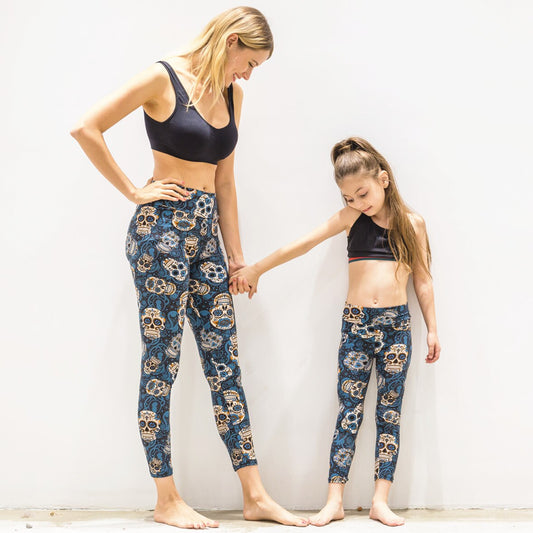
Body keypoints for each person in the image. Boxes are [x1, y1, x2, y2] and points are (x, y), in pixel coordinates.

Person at [70, 6, 309, 529]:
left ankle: (255, 496)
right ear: (231, 41)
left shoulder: (233, 95)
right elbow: (86, 128)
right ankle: (166, 499)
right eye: (250, 63)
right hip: (160, 233)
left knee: (225, 362)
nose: (249, 75)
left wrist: (236, 256)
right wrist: (134, 191)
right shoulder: (163, 77)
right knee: (162, 363)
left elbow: (225, 181)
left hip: (206, 239)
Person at [231, 137, 441, 527]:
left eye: (363, 193)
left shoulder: (413, 224)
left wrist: (432, 329)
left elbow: (423, 280)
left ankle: (380, 500)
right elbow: (304, 244)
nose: (358, 203)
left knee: (389, 413)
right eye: (349, 198)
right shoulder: (351, 220)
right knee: (349, 411)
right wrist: (257, 268)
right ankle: (334, 501)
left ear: (383, 179)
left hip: (396, 328)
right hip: (356, 326)